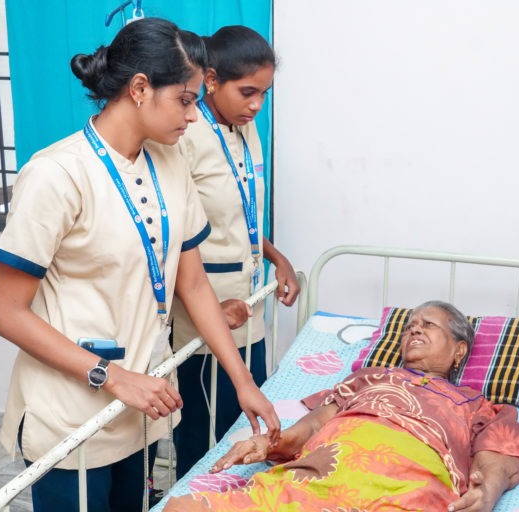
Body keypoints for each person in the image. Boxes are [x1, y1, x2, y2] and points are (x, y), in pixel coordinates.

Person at [0, 18, 279, 512]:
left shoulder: (169, 165)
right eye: (185, 99)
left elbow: (195, 286)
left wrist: (244, 382)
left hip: (141, 409)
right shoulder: (58, 174)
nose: (193, 114)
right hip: (73, 414)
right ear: (140, 88)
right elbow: (4, 312)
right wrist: (112, 376)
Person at [163, 301, 519, 512]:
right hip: (319, 475)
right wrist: (269, 443)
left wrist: (486, 494)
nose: (414, 331)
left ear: (459, 351)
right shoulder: (367, 378)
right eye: (408, 326)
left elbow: (497, 458)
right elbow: (309, 429)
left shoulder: (478, 406)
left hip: (404, 488)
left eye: (428, 325)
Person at [171, 25, 300, 480]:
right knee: (205, 444)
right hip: (203, 319)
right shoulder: (184, 138)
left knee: (248, 432)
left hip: (248, 311)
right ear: (209, 80)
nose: (257, 105)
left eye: (264, 94)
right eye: (247, 92)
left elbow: (241, 216)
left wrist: (277, 257)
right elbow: (169, 237)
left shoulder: (246, 131)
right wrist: (207, 307)